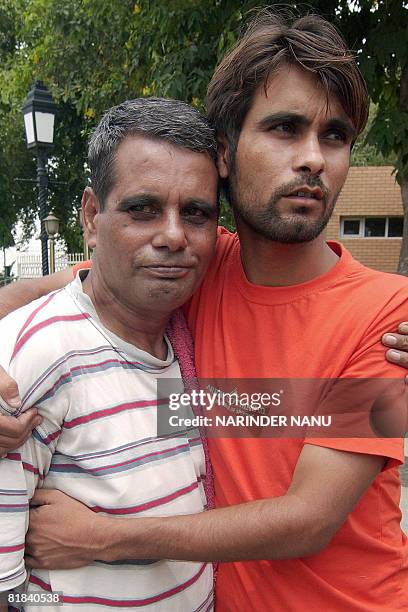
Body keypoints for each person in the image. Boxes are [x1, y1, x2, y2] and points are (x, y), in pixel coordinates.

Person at [0, 9, 407, 612]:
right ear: (224, 150)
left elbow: (308, 521)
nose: (313, 159)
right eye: (284, 128)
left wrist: (105, 537)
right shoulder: (195, 264)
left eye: (334, 136)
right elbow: (42, 292)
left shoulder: (388, 314)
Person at [0, 97, 219, 611]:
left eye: (196, 213)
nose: (173, 235)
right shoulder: (34, 358)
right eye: (142, 208)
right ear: (92, 217)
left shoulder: (183, 348)